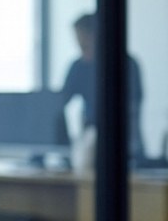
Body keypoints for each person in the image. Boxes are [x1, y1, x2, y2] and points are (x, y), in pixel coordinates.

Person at [59, 12, 145, 163]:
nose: (82, 49)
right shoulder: (79, 67)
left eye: (85, 44)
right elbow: (60, 102)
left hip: (123, 144)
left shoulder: (127, 65)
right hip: (89, 144)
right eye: (79, 45)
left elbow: (132, 108)